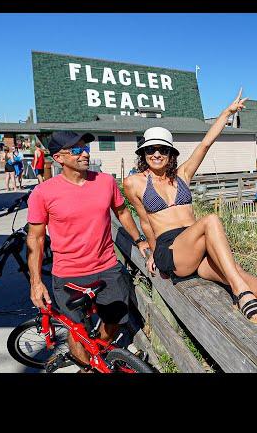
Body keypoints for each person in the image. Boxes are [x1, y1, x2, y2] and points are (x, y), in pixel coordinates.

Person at [123, 89, 257, 325]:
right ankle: (242, 295)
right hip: (171, 252)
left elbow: (205, 144)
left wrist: (226, 113)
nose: (156, 154)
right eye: (151, 149)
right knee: (211, 220)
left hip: (197, 247)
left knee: (233, 271)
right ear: (143, 153)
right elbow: (144, 220)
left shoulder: (182, 174)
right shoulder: (134, 182)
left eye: (163, 149)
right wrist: (152, 252)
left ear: (171, 154)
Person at [26, 130, 151, 372]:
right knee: (77, 331)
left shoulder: (104, 182)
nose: (84, 153)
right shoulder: (43, 193)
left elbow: (122, 211)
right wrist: (36, 282)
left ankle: (99, 352)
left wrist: (140, 240)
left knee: (115, 319)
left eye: (85, 148)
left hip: (106, 267)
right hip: (68, 274)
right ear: (58, 158)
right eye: (76, 150)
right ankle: (86, 368)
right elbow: (36, 238)